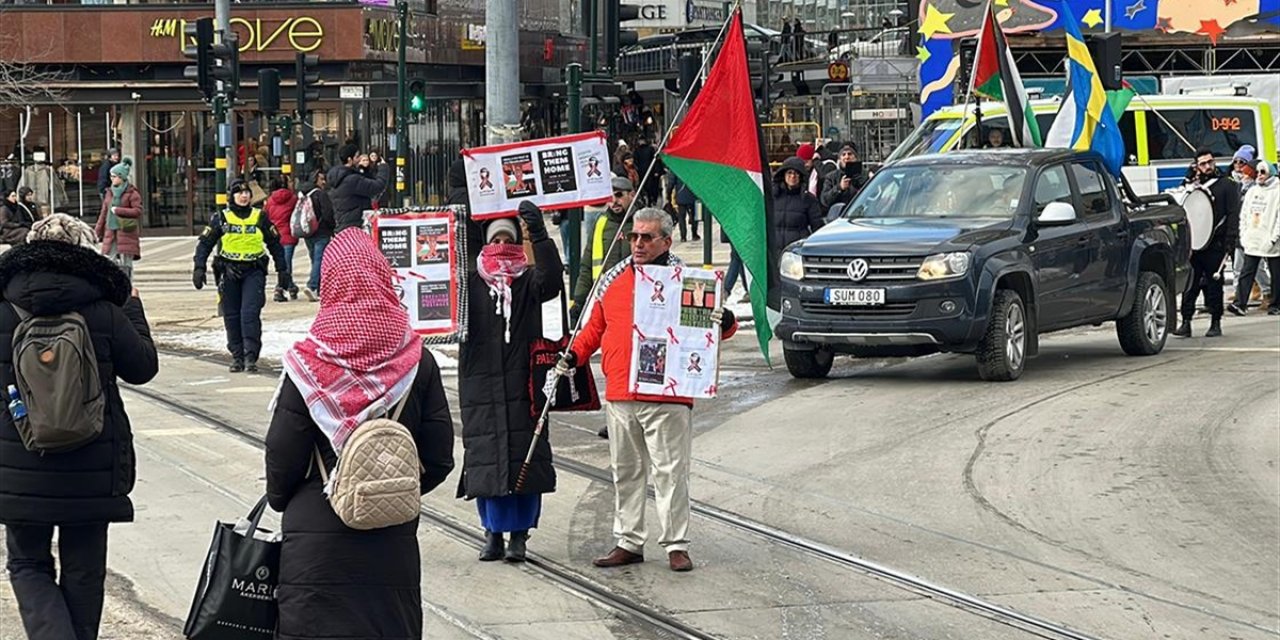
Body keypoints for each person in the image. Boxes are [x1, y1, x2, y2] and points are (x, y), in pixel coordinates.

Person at [265, 228, 455, 640]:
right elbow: (439, 457)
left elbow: (282, 452)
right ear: (383, 278)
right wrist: (388, 489)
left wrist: (286, 499)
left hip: (315, 548)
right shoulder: (417, 360)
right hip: (391, 544)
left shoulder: (307, 364)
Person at [0, 213, 158, 640]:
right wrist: (134, 309)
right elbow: (143, 368)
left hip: (20, 461)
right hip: (93, 460)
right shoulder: (105, 309)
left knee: (27, 563)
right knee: (85, 571)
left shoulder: (3, 308)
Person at [558, 208, 738, 573]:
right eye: (633, 236)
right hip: (622, 392)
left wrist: (726, 320)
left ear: (666, 241)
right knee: (626, 470)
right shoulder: (613, 279)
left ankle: (676, 544)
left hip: (668, 395)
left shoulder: (686, 280)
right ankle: (629, 540)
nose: (637, 243)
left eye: (646, 237)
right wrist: (573, 353)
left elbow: (707, 333)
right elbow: (595, 326)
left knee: (670, 471)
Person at [458, 204, 563, 562]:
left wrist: (540, 234)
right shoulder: (471, 283)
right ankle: (491, 533)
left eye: (508, 238)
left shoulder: (528, 280)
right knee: (486, 457)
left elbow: (552, 280)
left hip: (523, 381)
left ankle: (520, 534)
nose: (501, 244)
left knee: (526, 457)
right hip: (480, 383)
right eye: (495, 239)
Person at [191, 179, 291, 372]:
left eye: (247, 193)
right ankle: (237, 356)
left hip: (253, 271)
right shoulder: (221, 217)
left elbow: (275, 245)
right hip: (228, 271)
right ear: (232, 196)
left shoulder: (260, 217)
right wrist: (199, 267)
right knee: (232, 315)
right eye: (239, 193)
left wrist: (282, 271)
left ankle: (250, 356)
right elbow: (205, 243)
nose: (244, 196)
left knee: (250, 314)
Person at [1174, 148, 1242, 338]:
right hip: (1194, 243)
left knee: (1214, 284)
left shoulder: (1226, 185)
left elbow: (1233, 214)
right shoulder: (1191, 185)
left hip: (1216, 243)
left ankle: (1215, 322)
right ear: (1196, 166)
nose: (1208, 166)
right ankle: (1186, 321)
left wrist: (1230, 240)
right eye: (1203, 163)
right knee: (1191, 284)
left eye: (1210, 162)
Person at [572, 176, 634, 321]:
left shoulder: (640, 220)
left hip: (634, 295)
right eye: (610, 197)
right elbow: (587, 264)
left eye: (619, 195)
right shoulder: (601, 223)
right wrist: (579, 299)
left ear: (632, 195)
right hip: (606, 294)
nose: (614, 201)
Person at [1228, 160, 1280, 316]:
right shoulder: (1252, 191)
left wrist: (1274, 238)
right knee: (1247, 271)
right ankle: (1240, 303)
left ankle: (1275, 304)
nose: (1259, 176)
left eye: (1262, 172)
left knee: (1276, 273)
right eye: (1257, 172)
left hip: (1272, 240)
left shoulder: (1277, 191)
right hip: (1252, 238)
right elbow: (1244, 214)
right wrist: (1243, 234)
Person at [93, 157, 141, 282]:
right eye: (111, 176)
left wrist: (119, 210)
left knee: (126, 263)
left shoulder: (132, 193)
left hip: (126, 231)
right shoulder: (109, 193)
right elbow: (103, 214)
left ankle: (128, 286)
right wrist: (96, 233)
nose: (111, 179)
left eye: (114, 176)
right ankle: (112, 286)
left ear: (121, 177)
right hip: (110, 231)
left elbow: (137, 211)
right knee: (109, 260)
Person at [327, 143, 390, 231]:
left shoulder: (338, 177)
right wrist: (383, 168)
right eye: (357, 156)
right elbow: (378, 186)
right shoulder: (352, 180)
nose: (359, 159)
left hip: (343, 224)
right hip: (355, 225)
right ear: (350, 160)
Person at [297, 169, 336, 302]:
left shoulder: (303, 194)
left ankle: (318, 288)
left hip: (308, 231)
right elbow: (327, 214)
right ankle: (312, 285)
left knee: (315, 259)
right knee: (319, 260)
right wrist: (331, 228)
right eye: (321, 179)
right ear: (315, 180)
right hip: (321, 232)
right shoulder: (320, 194)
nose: (324, 181)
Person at [264, 174, 301, 302]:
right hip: (289, 234)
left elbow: (266, 216)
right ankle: (280, 288)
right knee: (286, 264)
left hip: (275, 235)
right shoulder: (293, 199)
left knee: (283, 263)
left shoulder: (270, 200)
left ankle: (291, 286)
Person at [773, 157, 825, 249]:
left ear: (801, 177)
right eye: (789, 173)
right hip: (774, 250)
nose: (792, 176)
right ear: (783, 175)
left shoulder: (809, 199)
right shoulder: (773, 197)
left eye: (796, 173)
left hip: (797, 250)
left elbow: (818, 227)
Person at [819, 143, 866, 210]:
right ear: (840, 159)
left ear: (855, 157)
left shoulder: (865, 174)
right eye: (843, 154)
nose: (846, 157)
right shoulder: (831, 177)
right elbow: (825, 200)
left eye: (850, 154)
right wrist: (839, 188)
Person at [666, 172, 699, 242]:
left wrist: (668, 194)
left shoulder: (676, 167)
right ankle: (694, 234)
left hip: (681, 196)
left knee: (681, 217)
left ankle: (683, 236)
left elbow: (671, 183)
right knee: (694, 215)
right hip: (693, 195)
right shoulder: (694, 167)